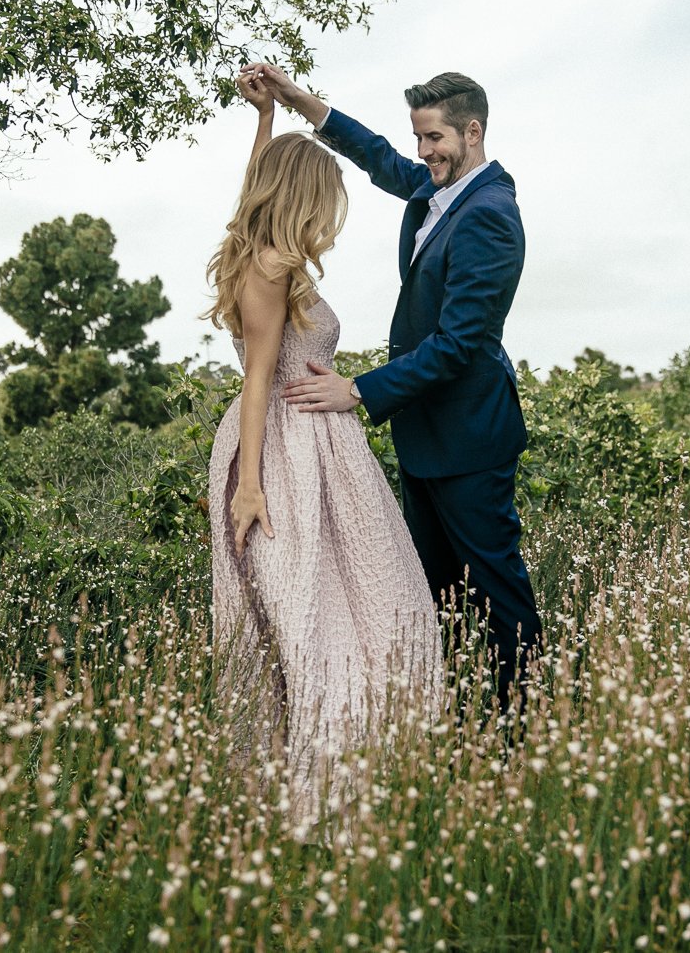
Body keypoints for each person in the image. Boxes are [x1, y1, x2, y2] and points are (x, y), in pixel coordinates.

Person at [244, 63, 542, 717]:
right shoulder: (439, 189)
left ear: (472, 131)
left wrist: (359, 390)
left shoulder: (490, 215)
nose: (423, 152)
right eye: (418, 139)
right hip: (423, 435)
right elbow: (377, 157)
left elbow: (461, 343)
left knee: (496, 589)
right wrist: (297, 102)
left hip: (468, 434)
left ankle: (525, 727)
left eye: (434, 138)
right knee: (425, 592)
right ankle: (444, 717)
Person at [205, 71, 442, 839]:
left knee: (383, 602)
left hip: (325, 452)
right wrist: (249, 484)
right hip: (285, 451)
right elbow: (258, 376)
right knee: (311, 620)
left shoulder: (262, 245)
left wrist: (267, 116)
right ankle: (318, 794)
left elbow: (253, 193)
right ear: (304, 198)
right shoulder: (268, 270)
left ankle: (378, 770)